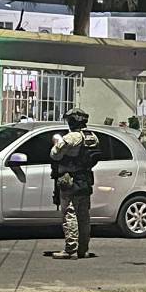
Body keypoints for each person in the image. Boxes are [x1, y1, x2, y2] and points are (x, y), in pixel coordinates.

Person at [50, 108, 100, 259]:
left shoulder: (72, 137)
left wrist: (57, 142)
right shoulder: (92, 136)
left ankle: (71, 249)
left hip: (70, 180)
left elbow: (55, 154)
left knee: (70, 214)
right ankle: (83, 249)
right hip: (85, 179)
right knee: (84, 216)